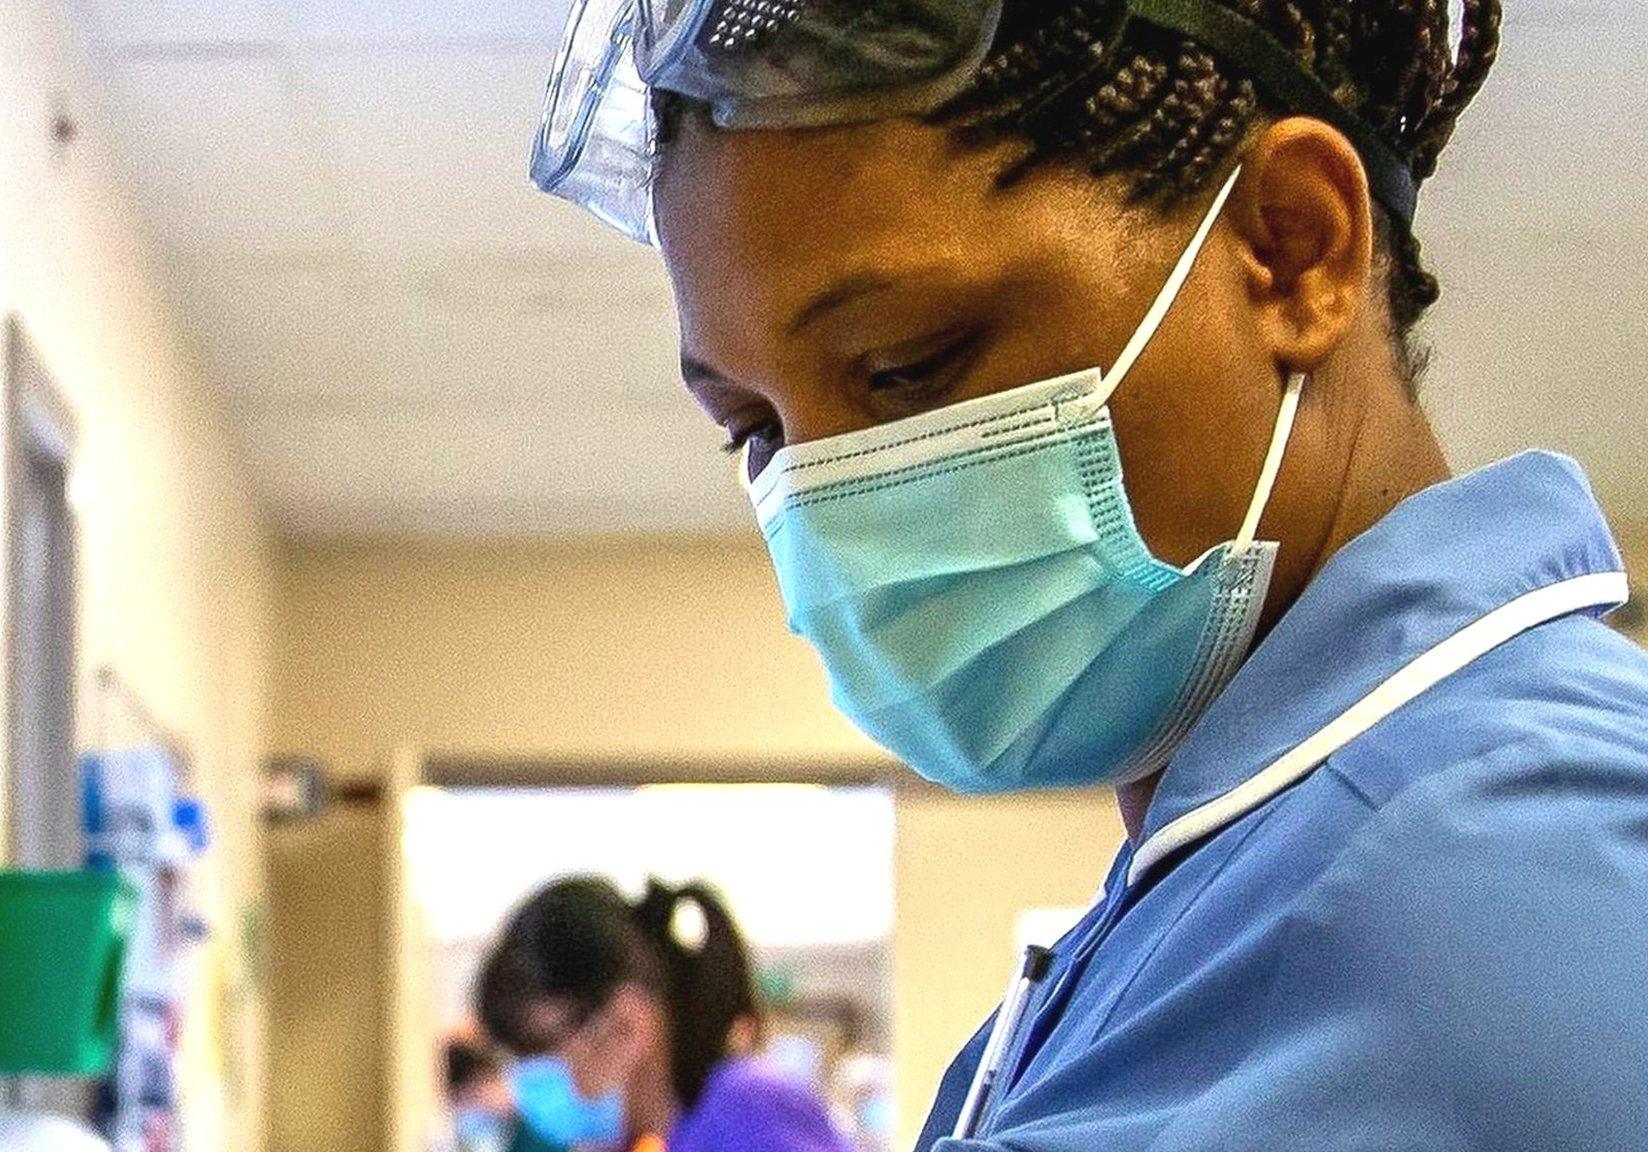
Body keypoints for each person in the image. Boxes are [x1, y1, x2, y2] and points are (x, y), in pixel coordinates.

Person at [524, 1, 1648, 1149]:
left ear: (1291, 247)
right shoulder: (1221, 906)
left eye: (910, 366)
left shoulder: (1516, 877)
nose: (831, 503)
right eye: (751, 429)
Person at [477, 877, 852, 1152]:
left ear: (627, 1024)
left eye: (540, 1052)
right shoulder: (688, 1130)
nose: (528, 1086)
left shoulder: (744, 1113)